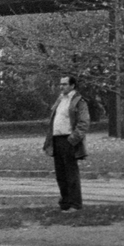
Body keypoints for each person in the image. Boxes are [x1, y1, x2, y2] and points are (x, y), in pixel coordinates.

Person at [42, 74, 89, 210]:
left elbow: (83, 122)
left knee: (71, 173)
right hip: (57, 139)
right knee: (61, 174)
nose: (61, 87)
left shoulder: (78, 101)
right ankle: (65, 202)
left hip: (68, 139)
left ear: (72, 85)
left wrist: (73, 139)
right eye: (60, 84)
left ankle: (75, 203)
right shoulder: (60, 100)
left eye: (64, 84)